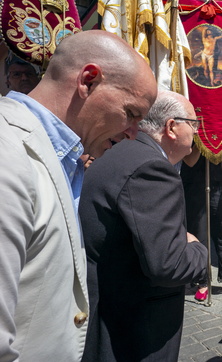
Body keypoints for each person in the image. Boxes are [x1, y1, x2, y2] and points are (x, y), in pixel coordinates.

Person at [0, 30, 157, 361]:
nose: (133, 135)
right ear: (88, 81)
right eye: (131, 114)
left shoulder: (63, 158)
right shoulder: (7, 152)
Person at [79, 90, 208, 362]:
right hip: (133, 329)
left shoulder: (122, 152)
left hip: (112, 309)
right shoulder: (152, 168)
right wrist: (197, 249)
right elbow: (169, 265)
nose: (197, 134)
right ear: (172, 127)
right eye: (194, 125)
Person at [181, 147, 222, 301]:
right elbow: (190, 162)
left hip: (218, 189)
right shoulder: (192, 140)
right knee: (200, 235)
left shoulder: (217, 141)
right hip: (195, 190)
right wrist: (202, 143)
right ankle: (202, 282)